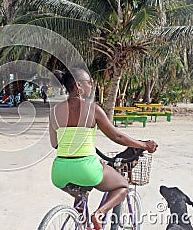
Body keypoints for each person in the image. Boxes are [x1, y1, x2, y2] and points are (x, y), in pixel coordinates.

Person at [49, 68, 158, 229]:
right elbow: (117, 137)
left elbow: (55, 144)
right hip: (86, 169)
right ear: (78, 86)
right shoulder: (93, 109)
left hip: (59, 173)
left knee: (80, 195)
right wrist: (144, 145)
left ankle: (82, 223)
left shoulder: (54, 112)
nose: (92, 86)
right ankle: (98, 214)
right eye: (89, 83)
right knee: (123, 186)